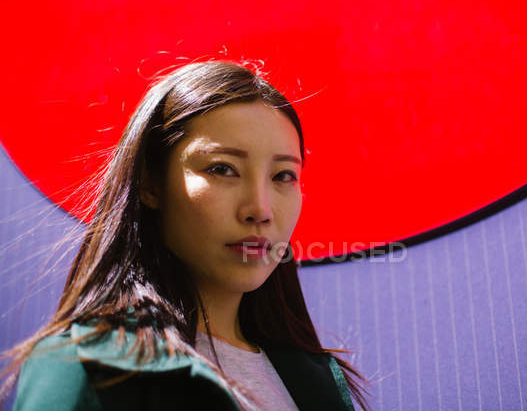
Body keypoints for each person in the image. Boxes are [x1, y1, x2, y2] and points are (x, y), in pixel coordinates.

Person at [0, 61, 368, 411]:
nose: (260, 209)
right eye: (223, 169)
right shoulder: (85, 367)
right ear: (150, 184)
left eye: (283, 176)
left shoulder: (315, 377)